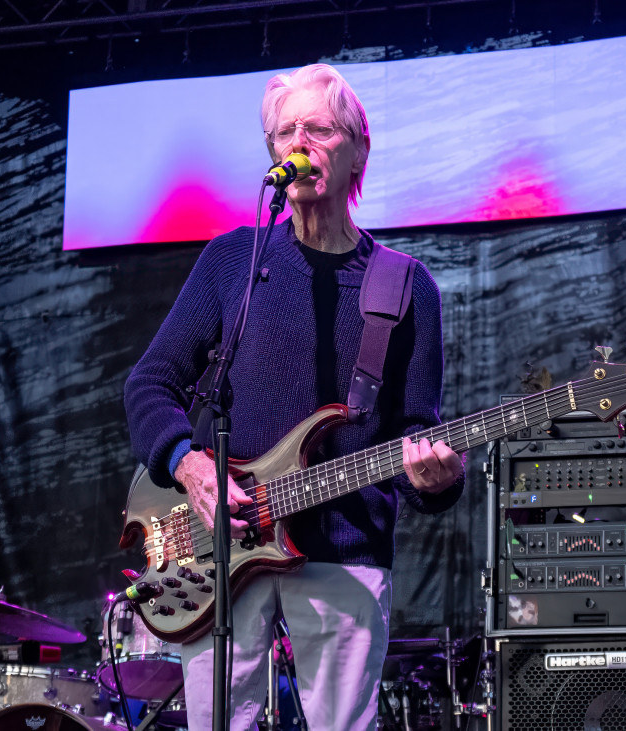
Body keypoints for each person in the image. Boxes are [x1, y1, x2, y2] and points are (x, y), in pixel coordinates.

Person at [123, 63, 465, 730]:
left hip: (345, 552)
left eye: (318, 128)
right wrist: (192, 466)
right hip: (221, 549)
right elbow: (150, 381)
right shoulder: (234, 262)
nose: (299, 143)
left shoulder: (405, 286)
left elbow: (417, 431)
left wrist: (437, 478)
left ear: (358, 148)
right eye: (285, 132)